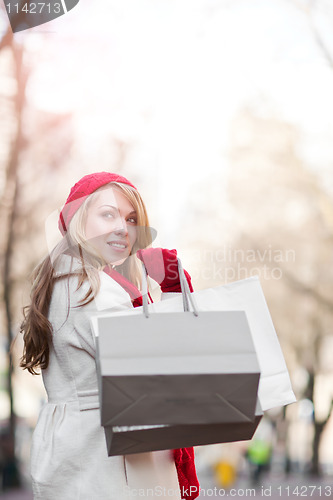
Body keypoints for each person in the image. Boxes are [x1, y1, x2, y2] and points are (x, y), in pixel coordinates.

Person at [20, 172, 200, 500]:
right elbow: (161, 374)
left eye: (131, 219)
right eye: (108, 214)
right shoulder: (94, 289)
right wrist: (175, 294)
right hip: (111, 458)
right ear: (78, 219)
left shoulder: (63, 281)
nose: (122, 227)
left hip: (82, 450)